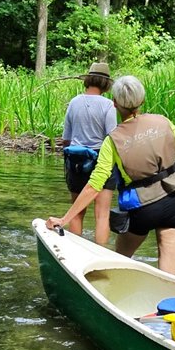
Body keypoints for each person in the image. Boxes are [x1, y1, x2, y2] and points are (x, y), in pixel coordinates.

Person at [46, 75, 175, 275]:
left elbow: (95, 185)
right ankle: (169, 304)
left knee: (116, 265)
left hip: (143, 208)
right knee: (169, 274)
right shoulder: (162, 121)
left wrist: (64, 219)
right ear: (142, 101)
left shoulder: (113, 141)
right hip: (174, 202)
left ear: (114, 104)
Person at [59, 61, 118, 244]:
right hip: (101, 159)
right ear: (106, 84)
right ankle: (99, 254)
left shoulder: (74, 102)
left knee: (77, 211)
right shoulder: (108, 105)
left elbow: (66, 139)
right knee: (102, 214)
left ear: (88, 79)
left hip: (75, 160)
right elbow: (112, 137)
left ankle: (74, 252)